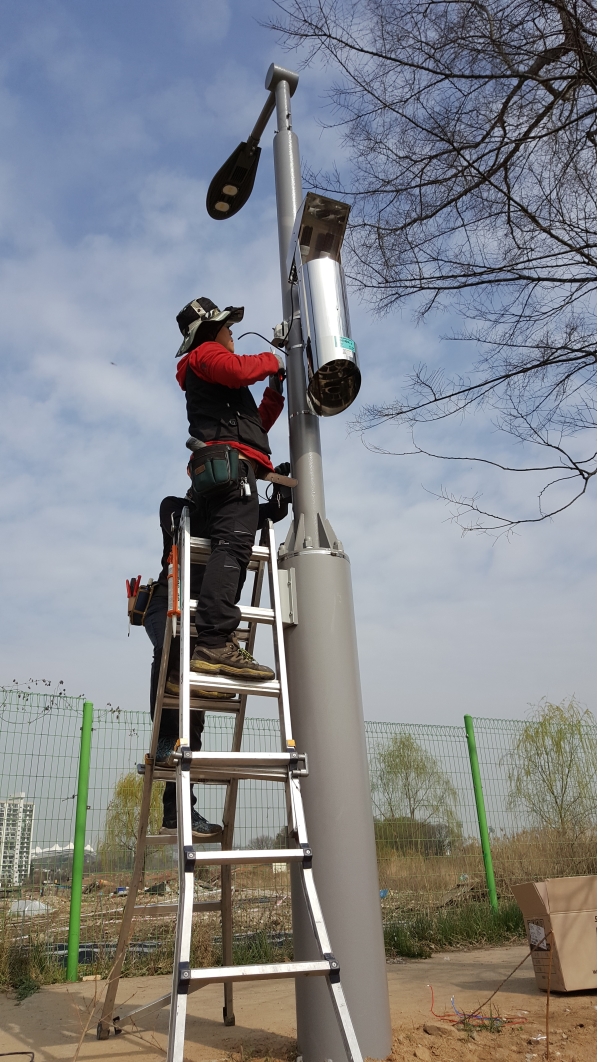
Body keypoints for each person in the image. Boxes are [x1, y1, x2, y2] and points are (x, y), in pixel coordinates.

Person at [144, 477, 292, 839]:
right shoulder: (175, 507)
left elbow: (250, 518)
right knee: (170, 659)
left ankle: (178, 811)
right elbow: (196, 519)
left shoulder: (232, 519)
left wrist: (278, 504)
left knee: (192, 712)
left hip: (204, 618)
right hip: (170, 605)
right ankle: (164, 748)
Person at [175, 296, 286, 681]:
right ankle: (214, 641)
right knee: (233, 545)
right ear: (210, 330)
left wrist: (274, 390)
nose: (233, 334)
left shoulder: (213, 375)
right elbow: (240, 371)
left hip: (229, 466)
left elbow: (253, 429)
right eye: (228, 327)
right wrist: (273, 360)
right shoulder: (205, 354)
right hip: (230, 471)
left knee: (231, 547)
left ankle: (207, 649)